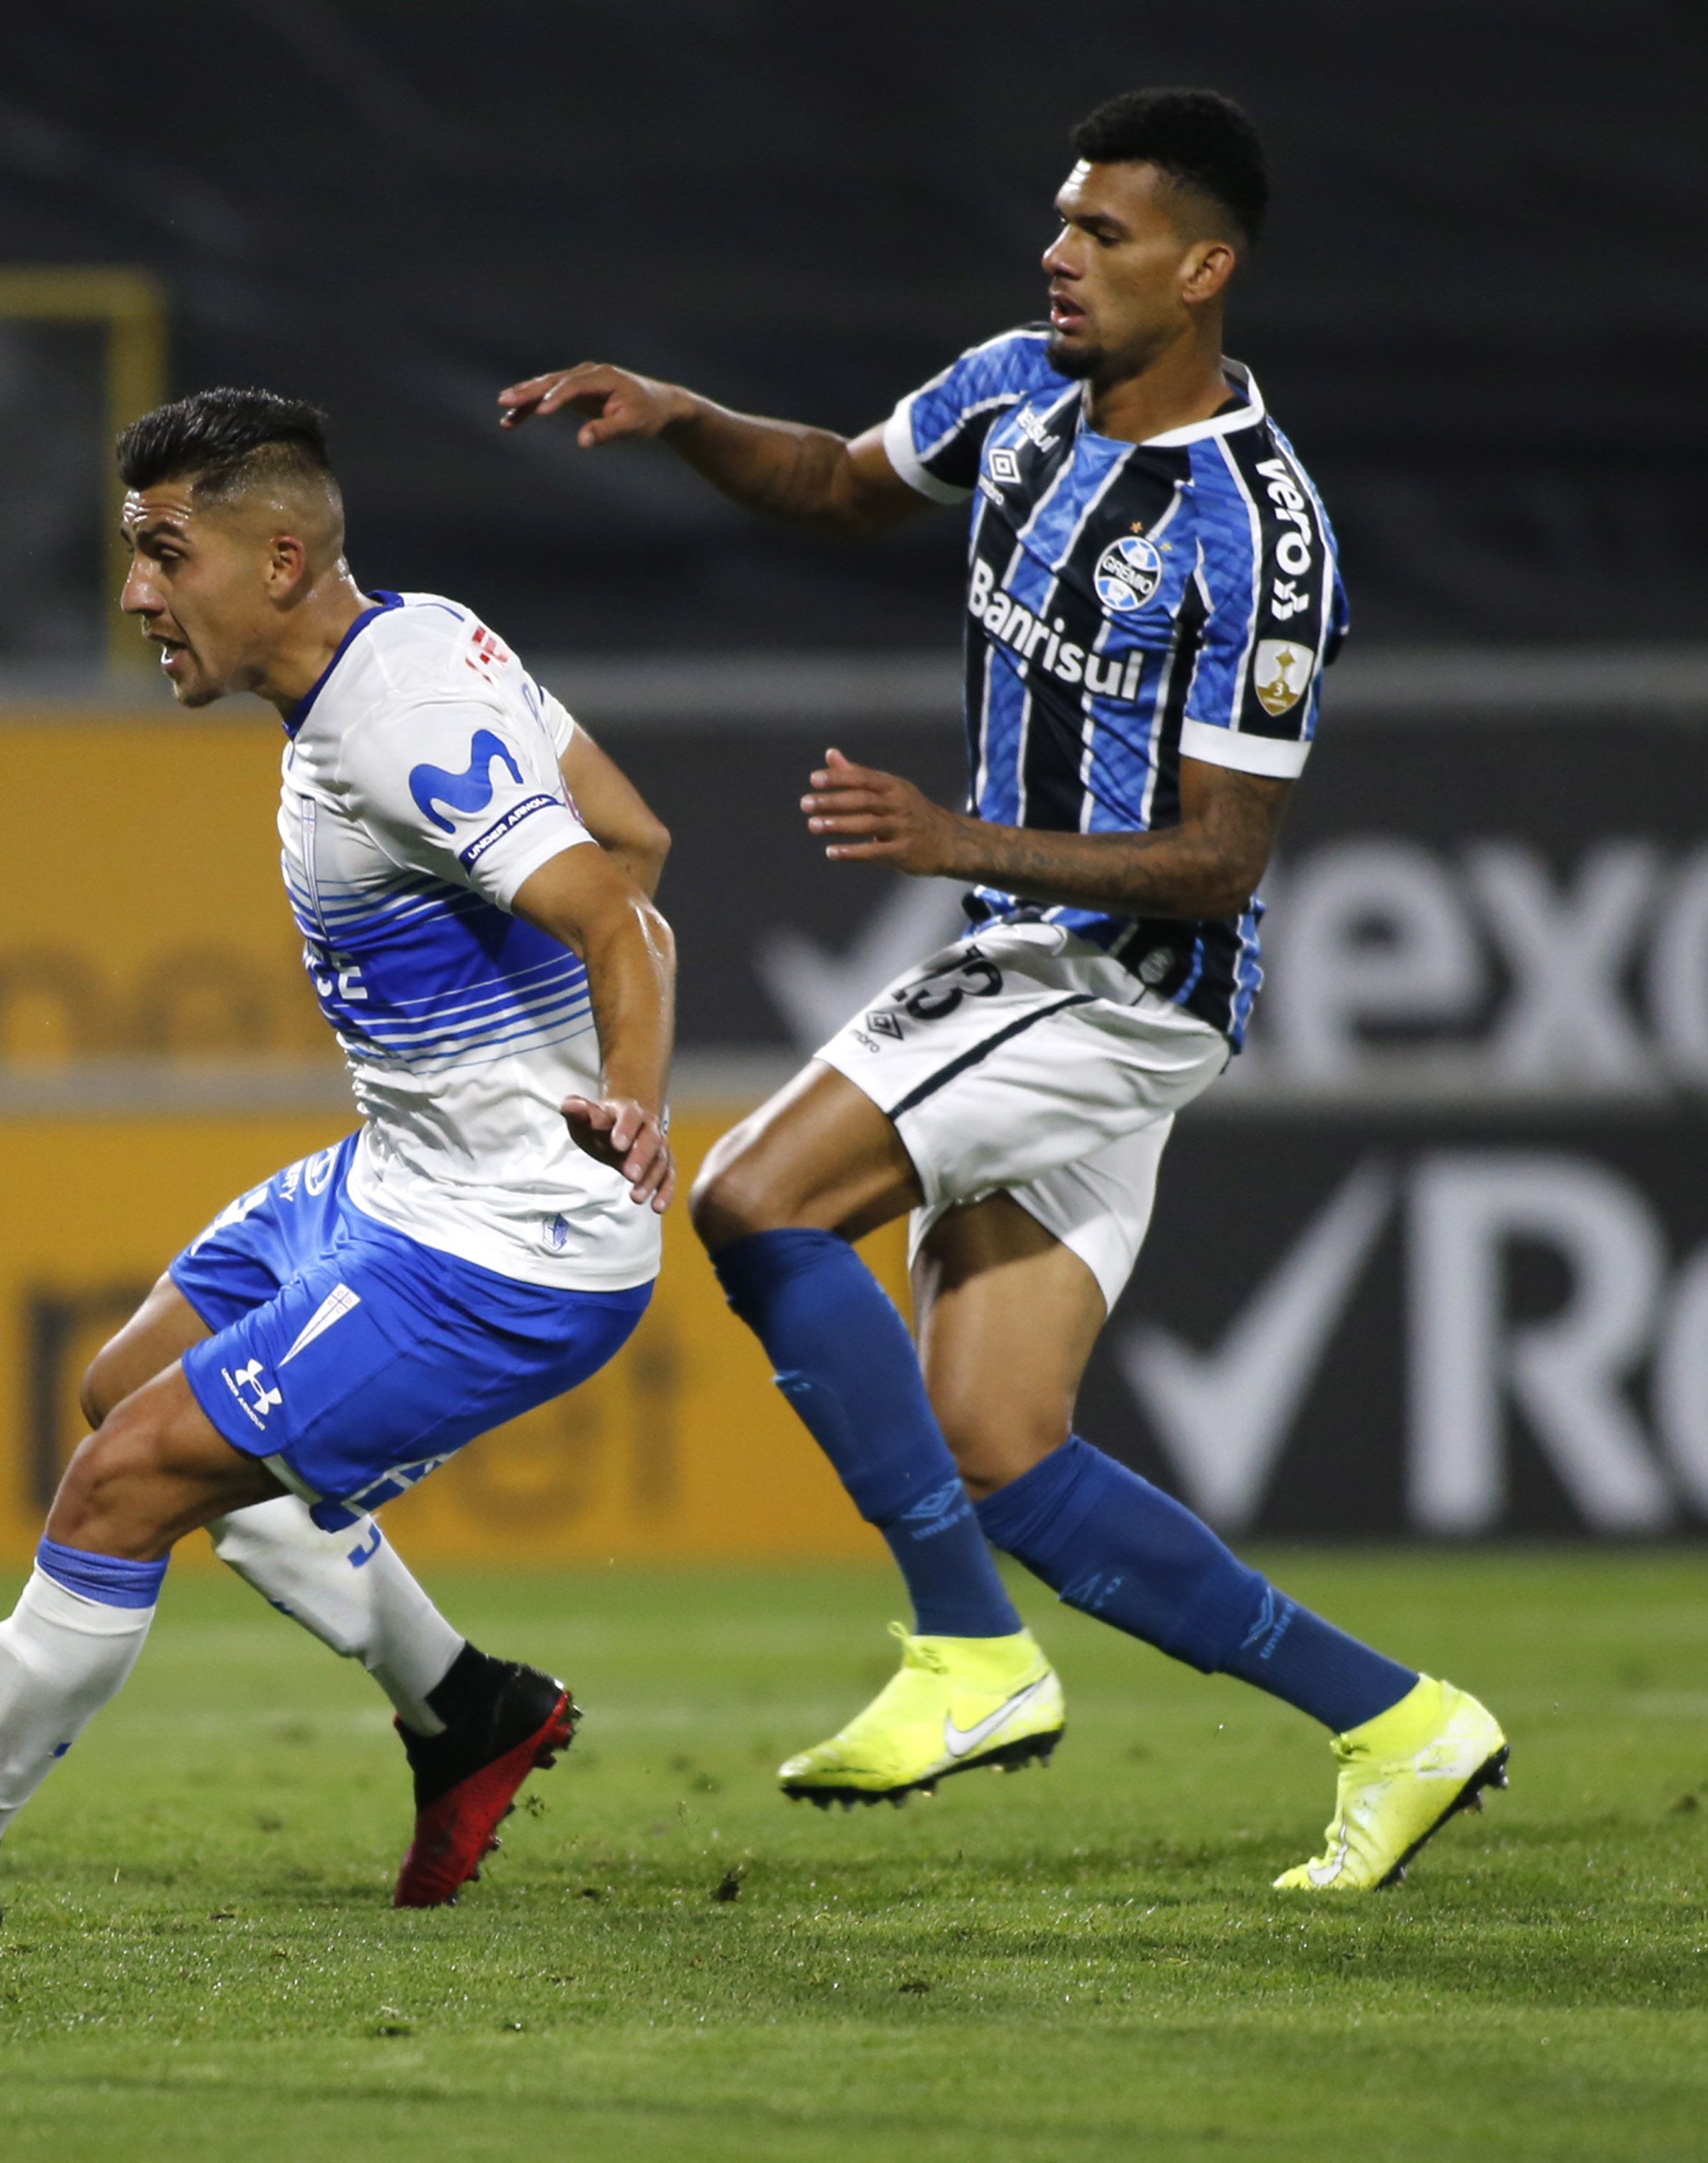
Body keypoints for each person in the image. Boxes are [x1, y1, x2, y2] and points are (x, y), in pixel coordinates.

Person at [496, 87, 1503, 1892]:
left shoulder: (1262, 539)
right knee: (1001, 1443)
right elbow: (835, 481)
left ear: (1205, 271)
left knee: (752, 1199)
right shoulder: (1015, 390)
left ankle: (966, 1653)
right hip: (1036, 962)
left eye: (1103, 234)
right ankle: (1404, 1724)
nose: (1059, 254)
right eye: (1058, 221)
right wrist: (681, 419)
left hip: (1125, 975)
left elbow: (1223, 860)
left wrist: (961, 837)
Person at [0, 387, 678, 1938]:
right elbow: (634, 836)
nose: (136, 597)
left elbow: (615, 912)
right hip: (401, 1176)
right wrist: (519, 1065)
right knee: (129, 1394)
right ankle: (466, 1707)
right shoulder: (425, 634)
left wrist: (622, 1101)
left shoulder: (401, 724)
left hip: (502, 1248)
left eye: (168, 556)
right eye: (133, 554)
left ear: (284, 558)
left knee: (122, 1486)